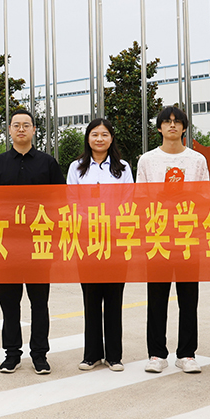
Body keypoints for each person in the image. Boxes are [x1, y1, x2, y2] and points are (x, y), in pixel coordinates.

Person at [0, 108, 65, 374]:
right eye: (16, 125)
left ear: (34, 130)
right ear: (9, 130)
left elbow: (60, 202)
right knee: (9, 302)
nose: (21, 129)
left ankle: (40, 354)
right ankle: (12, 354)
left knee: (39, 302)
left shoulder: (48, 163)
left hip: (39, 244)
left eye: (26, 125)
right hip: (7, 245)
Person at [135, 106, 208, 375]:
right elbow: (139, 198)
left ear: (184, 128)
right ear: (159, 128)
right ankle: (156, 354)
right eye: (167, 122)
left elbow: (205, 196)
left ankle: (187, 354)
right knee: (156, 297)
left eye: (177, 122)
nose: (172, 126)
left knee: (189, 297)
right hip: (158, 236)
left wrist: (184, 197)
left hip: (188, 235)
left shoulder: (197, 160)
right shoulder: (147, 160)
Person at [67, 117, 134, 372]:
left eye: (104, 134)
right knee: (91, 297)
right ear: (88, 138)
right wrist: (89, 220)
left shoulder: (123, 168)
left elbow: (129, 200)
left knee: (114, 297)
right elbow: (71, 200)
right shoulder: (77, 168)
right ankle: (92, 354)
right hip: (87, 240)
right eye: (95, 134)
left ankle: (114, 355)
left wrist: (111, 220)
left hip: (115, 240)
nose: (99, 139)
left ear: (111, 138)